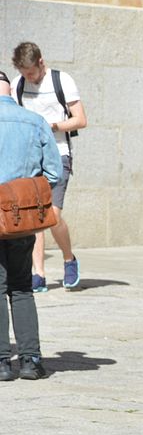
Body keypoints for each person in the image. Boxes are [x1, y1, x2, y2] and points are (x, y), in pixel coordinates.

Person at [0, 69, 62, 381]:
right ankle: (30, 359)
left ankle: (1, 363)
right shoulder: (34, 121)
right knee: (22, 286)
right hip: (21, 217)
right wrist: (24, 193)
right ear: (10, 91)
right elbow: (53, 173)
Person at [11, 42, 87, 291]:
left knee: (52, 216)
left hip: (59, 154)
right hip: (30, 157)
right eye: (24, 73)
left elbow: (80, 120)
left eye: (31, 73)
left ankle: (69, 258)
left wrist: (51, 126)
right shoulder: (17, 84)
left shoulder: (62, 81)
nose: (28, 78)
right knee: (34, 216)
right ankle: (39, 274)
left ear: (41, 62)